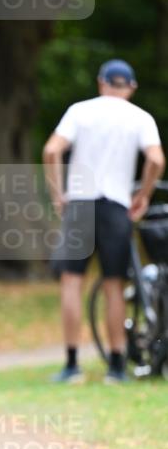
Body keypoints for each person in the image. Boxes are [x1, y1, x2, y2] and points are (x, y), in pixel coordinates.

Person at [43, 59, 165, 384]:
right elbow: (156, 158)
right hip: (116, 206)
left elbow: (52, 150)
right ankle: (116, 366)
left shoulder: (80, 111)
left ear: (101, 83)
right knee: (114, 285)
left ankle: (72, 364)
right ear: (132, 87)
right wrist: (143, 194)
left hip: (79, 203)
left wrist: (58, 194)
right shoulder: (140, 117)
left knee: (71, 283)